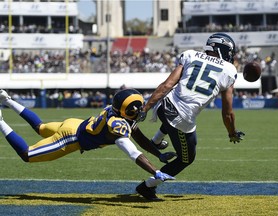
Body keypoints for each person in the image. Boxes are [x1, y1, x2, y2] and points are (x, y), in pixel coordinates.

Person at [135, 32, 245, 200]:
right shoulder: (229, 70)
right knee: (186, 159)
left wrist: (146, 108)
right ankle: (147, 187)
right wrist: (232, 132)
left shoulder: (191, 55)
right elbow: (228, 112)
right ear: (223, 49)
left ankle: (156, 141)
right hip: (181, 118)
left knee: (172, 117)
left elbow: (167, 85)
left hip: (164, 106)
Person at [0, 88, 176, 188]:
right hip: (70, 138)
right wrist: (155, 171)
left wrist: (158, 155)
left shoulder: (116, 113)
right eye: (138, 108)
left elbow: (139, 137)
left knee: (40, 127)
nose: (141, 110)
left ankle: (6, 99)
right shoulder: (118, 125)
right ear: (128, 111)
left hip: (74, 124)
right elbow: (133, 152)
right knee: (27, 154)